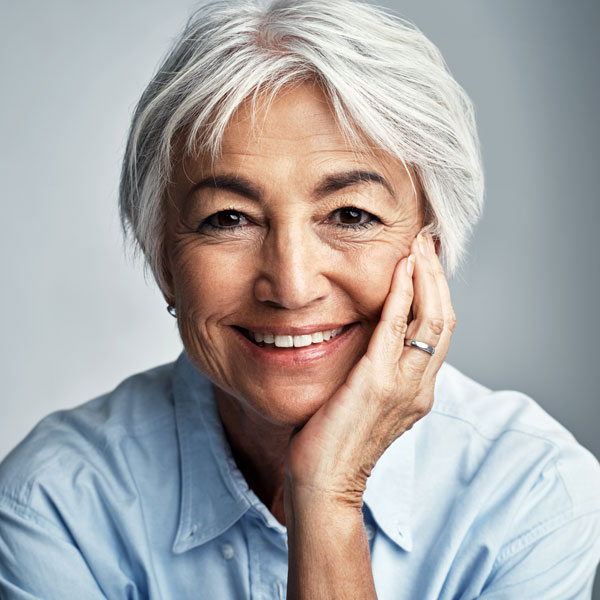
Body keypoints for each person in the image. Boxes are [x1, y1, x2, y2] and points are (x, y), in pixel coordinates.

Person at [1, 0, 599, 597]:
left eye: (350, 214)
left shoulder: (534, 494)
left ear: (431, 250)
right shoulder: (55, 505)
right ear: (164, 261)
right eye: (229, 218)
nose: (291, 286)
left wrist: (329, 493)